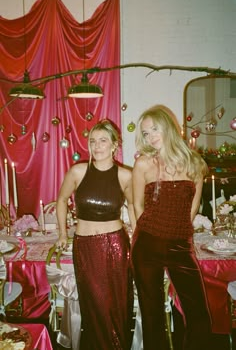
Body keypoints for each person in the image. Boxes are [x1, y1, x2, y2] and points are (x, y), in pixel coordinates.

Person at [131, 105, 212, 350]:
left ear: (168, 127)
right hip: (147, 245)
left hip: (180, 244)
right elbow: (137, 206)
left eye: (155, 129)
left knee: (198, 313)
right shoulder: (143, 164)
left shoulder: (195, 164)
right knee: (153, 313)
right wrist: (143, 238)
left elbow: (192, 209)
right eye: (145, 133)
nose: (151, 136)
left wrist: (175, 231)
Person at [56, 119, 136, 350]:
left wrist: (138, 234)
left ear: (114, 145)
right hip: (86, 248)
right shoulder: (78, 171)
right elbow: (61, 200)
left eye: (103, 141)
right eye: (93, 141)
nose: (97, 146)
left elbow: (133, 207)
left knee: (117, 304)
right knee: (94, 305)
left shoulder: (125, 175)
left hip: (116, 247)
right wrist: (62, 233)